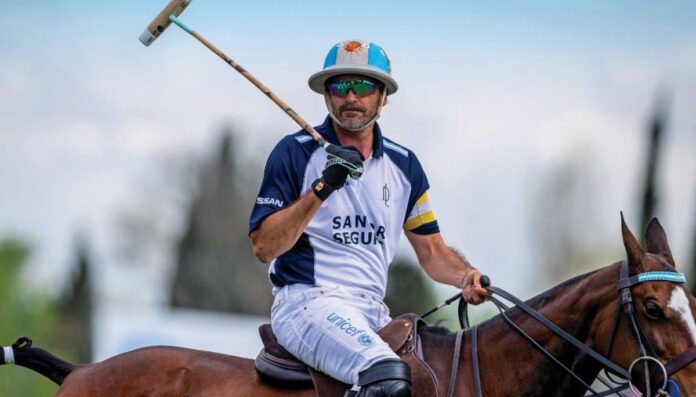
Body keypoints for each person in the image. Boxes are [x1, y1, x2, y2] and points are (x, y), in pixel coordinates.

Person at [249, 39, 489, 397]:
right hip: (307, 303)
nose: (350, 97)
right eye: (339, 86)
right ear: (326, 94)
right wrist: (322, 187)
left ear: (383, 95)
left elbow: (433, 253)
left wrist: (465, 276)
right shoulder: (294, 152)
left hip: (372, 311)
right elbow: (265, 246)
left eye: (361, 86)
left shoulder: (405, 166)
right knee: (386, 376)